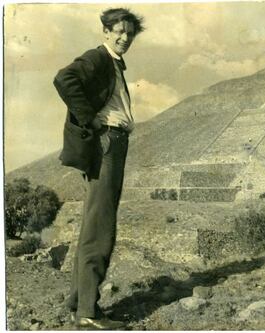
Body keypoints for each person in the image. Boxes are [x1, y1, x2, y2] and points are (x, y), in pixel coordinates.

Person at [53, 8, 144, 330]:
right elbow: (65, 79)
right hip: (107, 144)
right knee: (101, 227)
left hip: (112, 144)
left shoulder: (113, 64)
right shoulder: (99, 58)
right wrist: (88, 118)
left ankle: (78, 300)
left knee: (94, 222)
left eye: (129, 33)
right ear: (105, 31)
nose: (124, 38)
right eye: (119, 31)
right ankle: (88, 314)